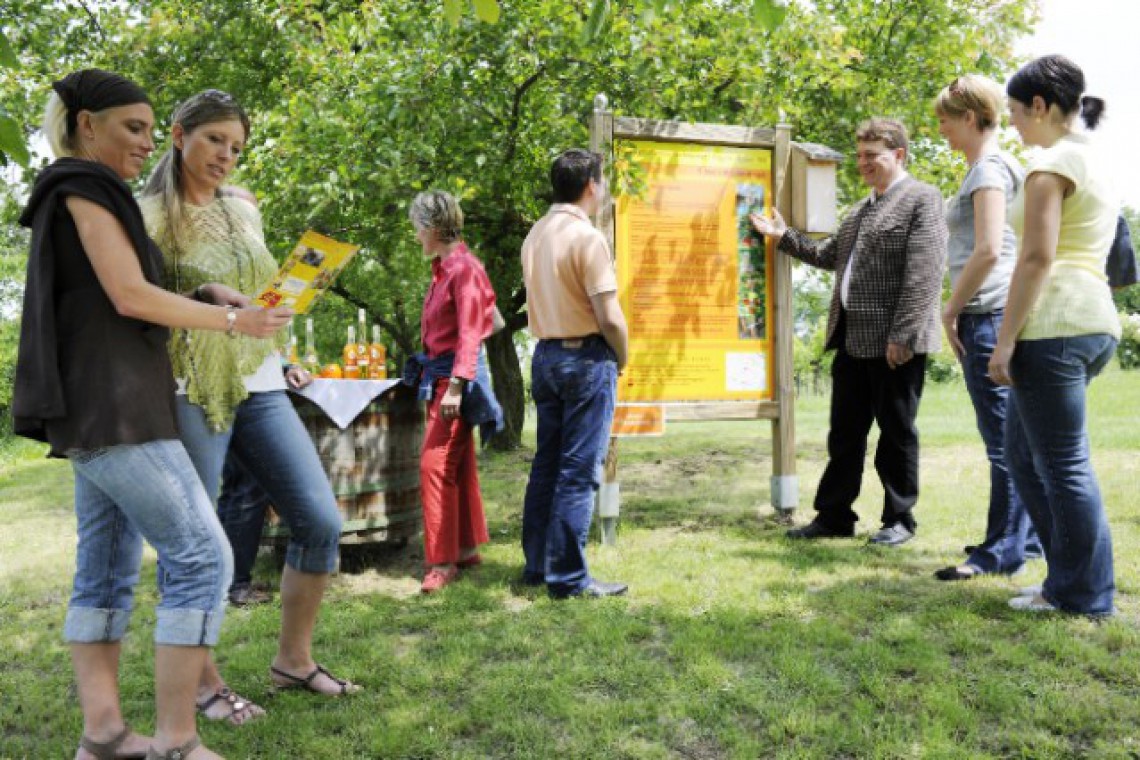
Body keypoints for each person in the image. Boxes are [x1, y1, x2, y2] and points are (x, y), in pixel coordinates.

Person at [13, 69, 291, 760]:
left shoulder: (79, 190)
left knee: (104, 570)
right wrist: (234, 318)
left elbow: (112, 291)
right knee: (203, 556)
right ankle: (177, 742)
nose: (146, 141)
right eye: (133, 127)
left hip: (95, 408)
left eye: (147, 126)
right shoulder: (84, 184)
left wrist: (200, 288)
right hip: (116, 408)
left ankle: (105, 735)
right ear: (86, 124)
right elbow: (130, 296)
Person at [139, 89, 359, 710]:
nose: (226, 156)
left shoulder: (244, 210)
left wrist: (285, 337)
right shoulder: (148, 213)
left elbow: (257, 296)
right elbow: (141, 300)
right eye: (214, 140)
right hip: (191, 385)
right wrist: (206, 293)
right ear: (179, 135)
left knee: (318, 519)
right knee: (198, 540)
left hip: (261, 381)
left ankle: (294, 662)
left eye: (236, 146)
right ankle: (205, 684)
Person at [750, 118, 946, 547]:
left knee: (896, 435)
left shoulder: (922, 199)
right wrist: (783, 236)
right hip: (852, 339)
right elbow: (828, 255)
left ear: (898, 155)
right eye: (859, 156)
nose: (862, 164)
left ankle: (899, 519)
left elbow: (924, 275)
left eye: (871, 156)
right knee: (844, 435)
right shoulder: (860, 210)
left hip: (896, 344)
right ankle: (835, 516)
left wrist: (904, 335)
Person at [989, 55, 1120, 616]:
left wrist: (1004, 340)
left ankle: (1084, 595)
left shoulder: (1053, 166)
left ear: (1041, 107)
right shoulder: (1089, 160)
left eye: (1016, 112)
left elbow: (1037, 257)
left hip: (1056, 325)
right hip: (1090, 324)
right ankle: (1066, 580)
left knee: (1063, 465)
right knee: (1023, 456)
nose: (1013, 124)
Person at [930, 75, 1043, 581]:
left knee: (1003, 444)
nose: (941, 130)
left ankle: (1000, 551)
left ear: (972, 118)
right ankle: (1030, 540)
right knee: (1021, 439)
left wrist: (950, 309)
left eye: (946, 120)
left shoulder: (989, 171)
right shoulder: (995, 167)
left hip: (988, 315)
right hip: (998, 314)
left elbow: (989, 250)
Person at [520, 149, 629, 598]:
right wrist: (621, 356)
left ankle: (537, 565)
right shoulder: (588, 238)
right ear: (591, 186)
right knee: (579, 471)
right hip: (585, 357)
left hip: (544, 356)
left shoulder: (535, 234)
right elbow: (609, 316)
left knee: (546, 465)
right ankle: (567, 578)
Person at [403, 190, 502, 593]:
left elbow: (470, 332)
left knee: (434, 465)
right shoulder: (447, 269)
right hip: (443, 375)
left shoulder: (463, 268)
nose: (415, 236)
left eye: (417, 228)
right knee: (457, 465)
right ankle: (463, 548)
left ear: (432, 228)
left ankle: (442, 562)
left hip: (454, 380)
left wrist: (458, 384)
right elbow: (491, 321)